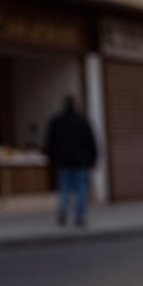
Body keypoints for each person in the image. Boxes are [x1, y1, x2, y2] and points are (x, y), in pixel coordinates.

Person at [44, 94, 98, 228]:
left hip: (63, 161)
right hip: (80, 161)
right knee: (81, 189)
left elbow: (50, 142)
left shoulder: (56, 121)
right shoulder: (82, 120)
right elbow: (91, 141)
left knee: (65, 189)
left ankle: (63, 213)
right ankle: (80, 216)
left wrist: (51, 158)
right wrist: (93, 158)